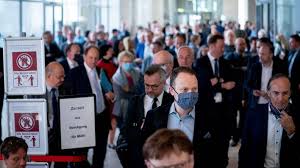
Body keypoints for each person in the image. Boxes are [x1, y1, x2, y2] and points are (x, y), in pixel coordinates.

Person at [141, 67, 218, 168]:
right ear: (172, 91)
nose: (190, 94)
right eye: (184, 89)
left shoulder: (212, 117)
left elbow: (219, 155)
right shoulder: (154, 115)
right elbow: (144, 151)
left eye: (194, 89)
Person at [64, 45, 112, 168]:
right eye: (90, 57)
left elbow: (107, 90)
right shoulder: (74, 73)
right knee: (81, 154)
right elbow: (69, 97)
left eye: (96, 58)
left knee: (100, 152)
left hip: (101, 117)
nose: (93, 61)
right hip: (83, 120)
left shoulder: (102, 71)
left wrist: (110, 95)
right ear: (84, 56)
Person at [116, 65, 173, 168]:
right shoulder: (135, 101)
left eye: (154, 86)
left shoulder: (172, 102)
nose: (150, 90)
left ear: (164, 83)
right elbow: (125, 130)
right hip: (138, 159)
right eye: (147, 85)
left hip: (164, 158)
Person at [239, 74, 300, 168]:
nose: (280, 99)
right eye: (276, 93)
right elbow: (245, 150)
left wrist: (292, 133)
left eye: (285, 93)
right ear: (268, 93)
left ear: (290, 93)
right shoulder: (253, 114)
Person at [246, 37, 287, 110]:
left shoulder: (281, 65)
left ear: (271, 55)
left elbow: (285, 86)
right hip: (256, 105)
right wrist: (253, 91)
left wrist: (272, 95)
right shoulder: (254, 66)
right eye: (259, 54)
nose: (260, 57)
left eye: (263, 54)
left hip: (275, 106)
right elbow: (247, 83)